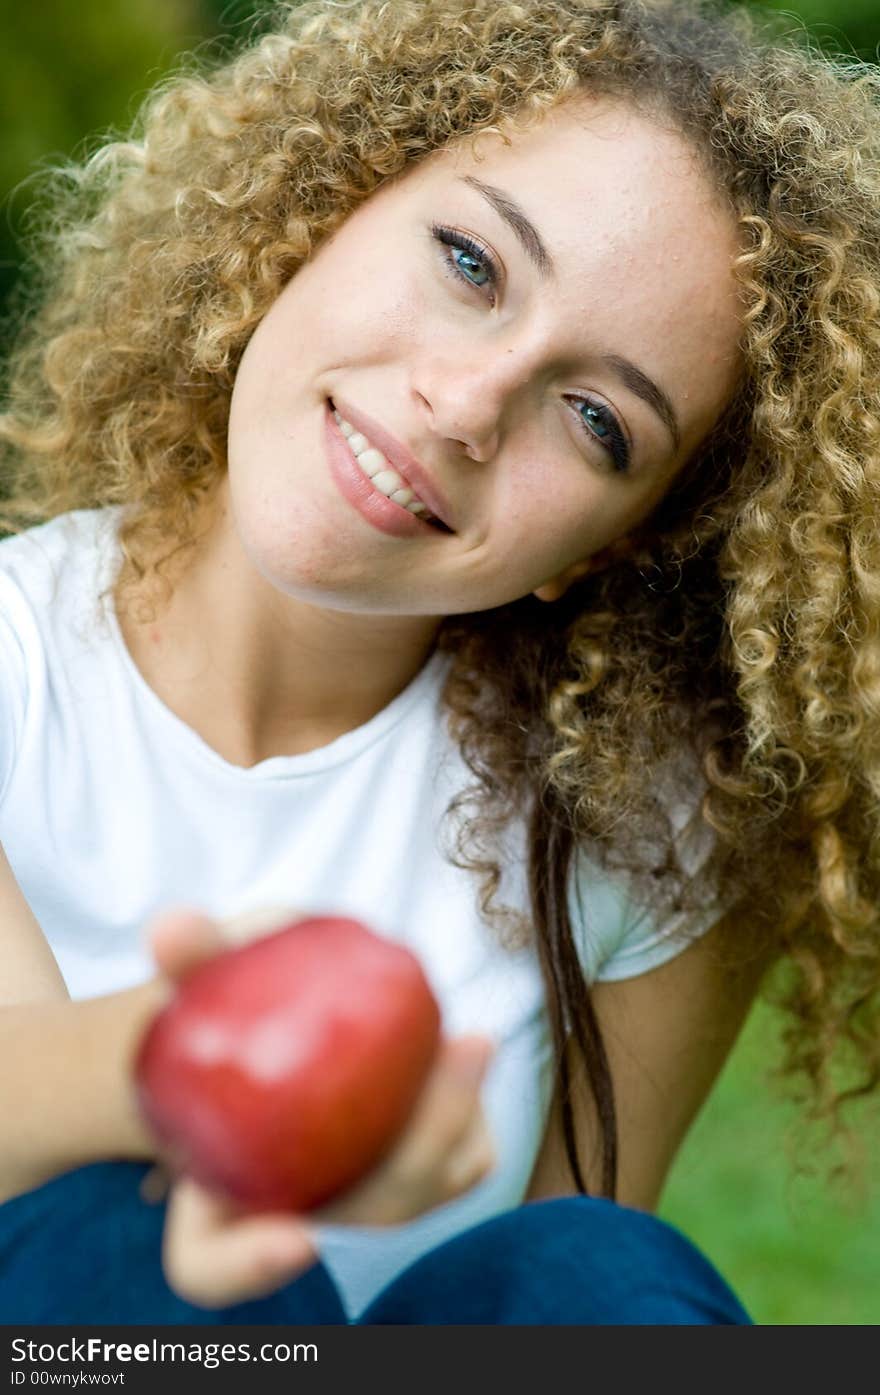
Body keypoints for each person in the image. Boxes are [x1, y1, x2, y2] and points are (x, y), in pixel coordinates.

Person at [0, 0, 877, 1326]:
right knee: (108, 1230)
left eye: (595, 420)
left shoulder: (649, 826)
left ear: (606, 543)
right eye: (470, 262)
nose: (465, 408)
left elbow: (565, 1294)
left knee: (598, 1268)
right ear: (324, 209)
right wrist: (215, 1067)